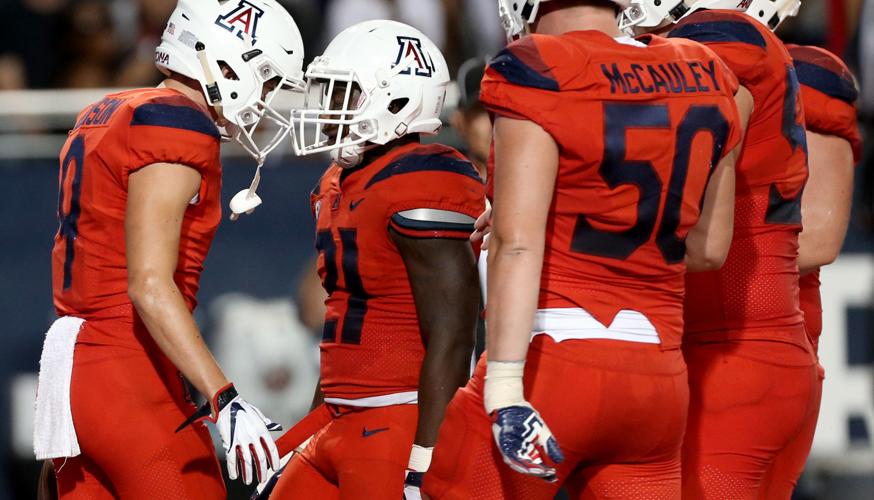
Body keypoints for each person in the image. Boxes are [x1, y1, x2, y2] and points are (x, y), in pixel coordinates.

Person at [423, 0, 748, 498]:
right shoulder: (704, 69)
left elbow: (516, 244)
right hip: (656, 377)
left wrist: (505, 388)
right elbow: (709, 248)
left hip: (552, 361)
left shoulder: (539, 65)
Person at [32, 0, 305, 497]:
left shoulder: (109, 109)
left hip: (77, 367)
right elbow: (149, 285)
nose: (266, 98)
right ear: (226, 65)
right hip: (127, 366)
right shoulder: (175, 123)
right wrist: (223, 396)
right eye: (266, 81)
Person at [268, 20, 485, 499]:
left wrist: (428, 457)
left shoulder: (424, 178)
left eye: (343, 94)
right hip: (339, 414)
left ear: (397, 101)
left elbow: (453, 333)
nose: (327, 108)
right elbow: (342, 323)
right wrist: (310, 424)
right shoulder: (338, 181)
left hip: (398, 415)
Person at [621, 0, 816, 496]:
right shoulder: (742, 46)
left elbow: (704, 240)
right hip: (755, 353)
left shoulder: (719, 45)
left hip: (732, 358)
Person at [757, 42, 862, 498]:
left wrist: (715, 253)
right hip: (699, 338)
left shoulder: (804, 78)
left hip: (766, 336)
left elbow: (820, 237)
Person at [449, 56, 490, 180]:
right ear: (459, 123)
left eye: (505, 110)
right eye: (482, 110)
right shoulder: (447, 184)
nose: (496, 122)